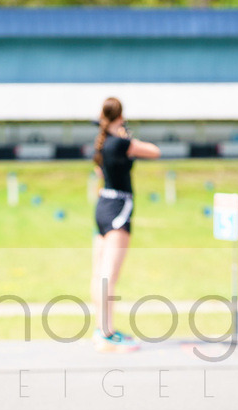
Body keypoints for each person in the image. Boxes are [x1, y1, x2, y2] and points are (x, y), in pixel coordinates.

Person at [91, 97, 161, 353]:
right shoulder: (120, 142)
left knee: (98, 273)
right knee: (109, 276)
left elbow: (101, 173)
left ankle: (101, 330)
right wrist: (127, 136)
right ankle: (108, 333)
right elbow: (154, 151)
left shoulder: (103, 144)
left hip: (102, 206)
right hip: (119, 208)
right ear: (119, 116)